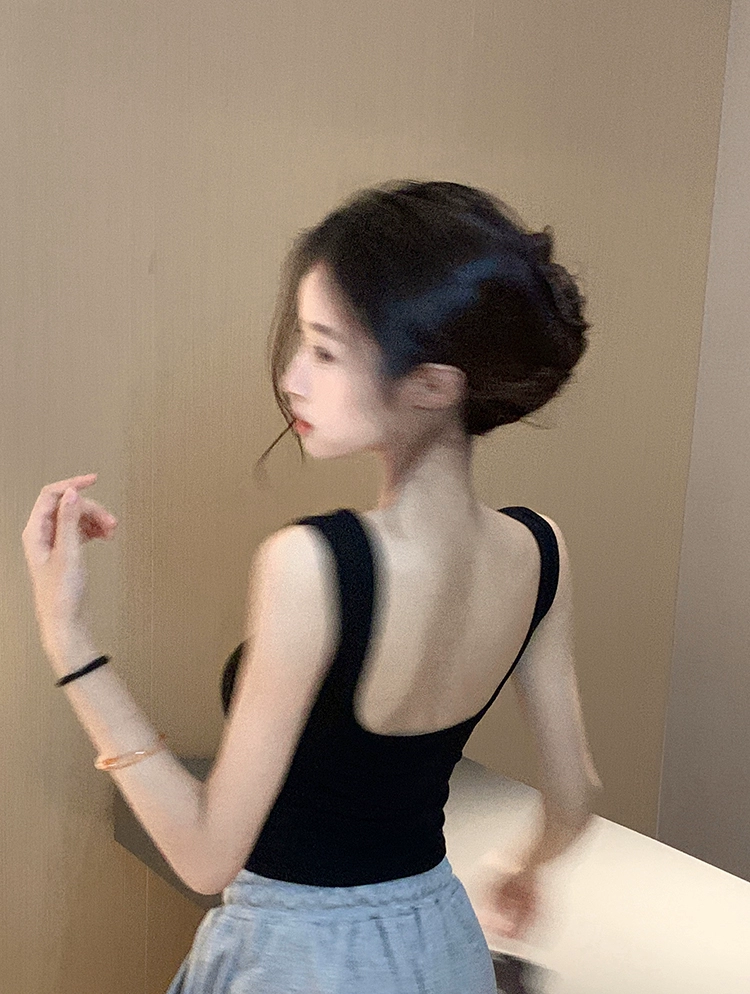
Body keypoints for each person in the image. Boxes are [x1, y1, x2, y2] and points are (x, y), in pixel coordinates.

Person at [28, 179, 600, 994]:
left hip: (298, 959)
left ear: (433, 385)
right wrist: (525, 871)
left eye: (326, 352)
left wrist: (68, 640)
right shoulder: (540, 549)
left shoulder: (313, 564)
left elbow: (204, 857)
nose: (293, 377)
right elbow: (574, 798)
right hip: (443, 945)